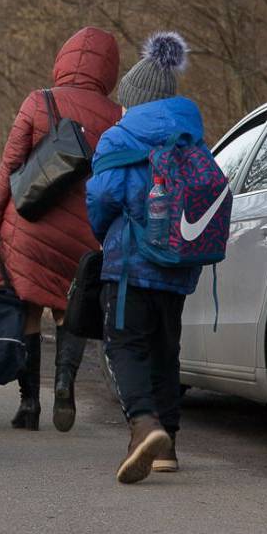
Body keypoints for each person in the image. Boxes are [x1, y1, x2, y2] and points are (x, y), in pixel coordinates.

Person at [0, 27, 121, 432]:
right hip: (82, 233)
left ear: (63, 60)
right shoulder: (116, 116)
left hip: (29, 225)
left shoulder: (38, 102)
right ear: (109, 70)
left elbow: (9, 168)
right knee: (67, 310)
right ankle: (64, 384)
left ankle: (29, 405)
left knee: (28, 309)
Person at [86, 31, 201, 483]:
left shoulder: (119, 137)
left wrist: (103, 236)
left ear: (133, 99)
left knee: (125, 346)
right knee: (165, 350)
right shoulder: (192, 135)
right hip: (177, 264)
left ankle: (143, 425)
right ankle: (168, 443)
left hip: (130, 263)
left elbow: (102, 197)